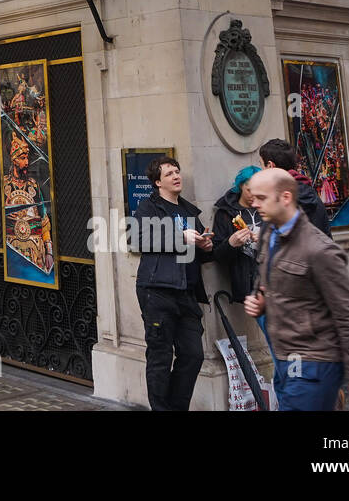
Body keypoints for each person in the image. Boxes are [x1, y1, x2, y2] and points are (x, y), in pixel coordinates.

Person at [244, 168, 349, 410]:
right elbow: (269, 283)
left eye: (262, 198)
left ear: (285, 197)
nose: (256, 205)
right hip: (284, 357)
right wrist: (260, 301)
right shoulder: (267, 234)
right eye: (253, 199)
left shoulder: (319, 250)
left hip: (314, 359)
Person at [130, 155, 214, 411]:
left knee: (193, 355)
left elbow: (197, 250)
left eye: (177, 171)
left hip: (186, 294)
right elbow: (138, 239)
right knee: (160, 358)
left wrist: (207, 246)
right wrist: (181, 236)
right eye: (169, 174)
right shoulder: (148, 208)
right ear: (157, 182)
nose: (177, 176)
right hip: (157, 292)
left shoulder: (189, 211)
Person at [259, 139, 332, 237]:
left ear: (270, 165)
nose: (261, 172)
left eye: (262, 165)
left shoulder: (280, 199)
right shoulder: (309, 191)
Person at [211, 166, 263, 303]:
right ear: (240, 186)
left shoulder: (268, 209)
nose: (254, 196)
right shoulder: (225, 213)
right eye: (249, 190)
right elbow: (217, 254)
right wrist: (231, 243)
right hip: (246, 283)